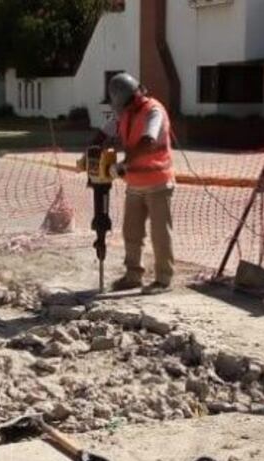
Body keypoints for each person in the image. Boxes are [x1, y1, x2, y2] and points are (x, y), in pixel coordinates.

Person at [90, 72, 175, 295]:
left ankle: (163, 279)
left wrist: (123, 164)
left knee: (160, 234)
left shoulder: (153, 111)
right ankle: (132, 276)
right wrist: (93, 153)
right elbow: (102, 134)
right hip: (135, 184)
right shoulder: (125, 113)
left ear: (129, 99)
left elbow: (148, 141)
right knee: (132, 232)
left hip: (157, 182)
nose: (121, 111)